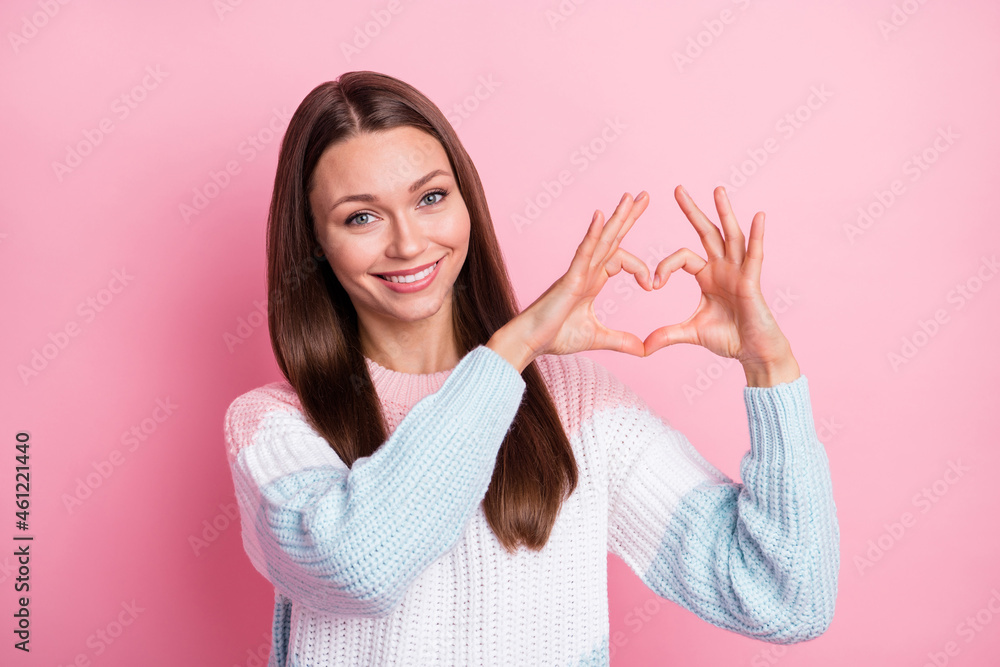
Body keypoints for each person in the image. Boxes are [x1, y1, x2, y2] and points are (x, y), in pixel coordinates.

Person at [223, 70, 840, 667]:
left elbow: (785, 600)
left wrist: (771, 370)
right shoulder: (274, 425)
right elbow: (361, 565)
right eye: (361, 216)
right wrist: (512, 351)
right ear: (316, 243)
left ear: (468, 206)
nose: (408, 243)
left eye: (431, 197)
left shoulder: (578, 408)